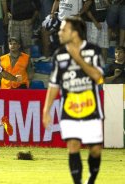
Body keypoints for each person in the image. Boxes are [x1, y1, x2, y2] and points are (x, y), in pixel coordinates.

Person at [43, 17, 104, 184]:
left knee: (96, 150)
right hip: (69, 109)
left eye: (63, 30)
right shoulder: (59, 55)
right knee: (73, 146)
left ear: (74, 33)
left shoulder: (93, 51)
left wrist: (78, 58)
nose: (59, 33)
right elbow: (54, 85)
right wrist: (46, 110)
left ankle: (91, 179)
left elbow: (98, 77)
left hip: (91, 109)